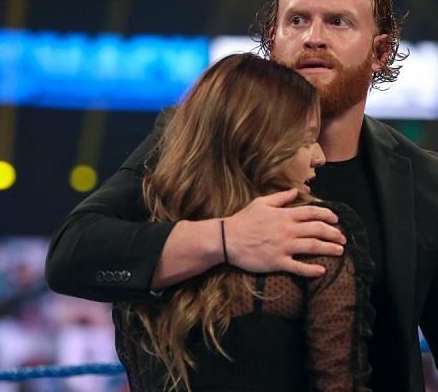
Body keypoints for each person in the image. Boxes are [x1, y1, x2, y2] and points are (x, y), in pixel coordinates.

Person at [46, 0, 438, 391]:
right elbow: (73, 255)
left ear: (380, 52)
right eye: (297, 20)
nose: (314, 36)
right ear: (273, 39)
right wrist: (225, 238)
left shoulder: (429, 181)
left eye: (338, 22)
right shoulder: (197, 138)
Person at [113, 53, 374, 391]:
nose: (319, 157)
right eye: (307, 140)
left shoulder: (143, 231)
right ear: (257, 142)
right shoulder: (315, 231)